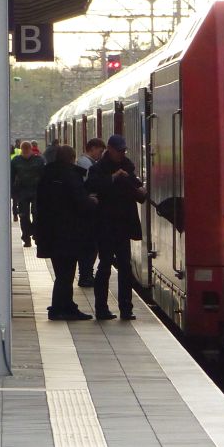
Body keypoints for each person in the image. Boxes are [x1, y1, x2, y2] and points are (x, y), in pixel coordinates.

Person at [86, 134, 146, 321]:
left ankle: (126, 308)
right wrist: (113, 178)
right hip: (105, 225)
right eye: (119, 151)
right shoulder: (98, 169)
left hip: (124, 225)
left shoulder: (128, 167)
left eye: (123, 151)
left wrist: (139, 189)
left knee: (125, 267)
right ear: (110, 150)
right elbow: (91, 186)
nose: (122, 154)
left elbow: (138, 192)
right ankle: (101, 308)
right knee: (104, 266)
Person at [34, 145, 96, 321]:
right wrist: (91, 201)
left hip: (50, 233)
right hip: (68, 233)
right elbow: (79, 201)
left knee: (62, 272)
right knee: (66, 274)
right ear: (72, 158)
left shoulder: (46, 175)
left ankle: (65, 305)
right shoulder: (71, 175)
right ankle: (60, 309)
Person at [75, 138, 105, 287]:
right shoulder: (86, 164)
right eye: (100, 151)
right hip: (87, 212)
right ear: (92, 149)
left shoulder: (86, 163)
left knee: (90, 245)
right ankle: (85, 275)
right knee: (89, 245)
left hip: (87, 211)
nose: (101, 154)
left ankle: (86, 274)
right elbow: (89, 185)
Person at [11, 140, 46, 248]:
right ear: (21, 150)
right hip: (22, 191)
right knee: (24, 216)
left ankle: (35, 234)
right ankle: (26, 238)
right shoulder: (16, 161)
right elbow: (11, 177)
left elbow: (44, 176)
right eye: (24, 150)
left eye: (27, 150)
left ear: (31, 149)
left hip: (36, 191)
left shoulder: (38, 160)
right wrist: (13, 193)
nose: (26, 153)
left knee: (37, 214)